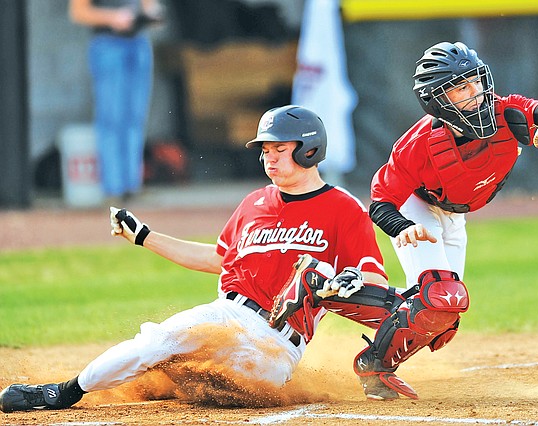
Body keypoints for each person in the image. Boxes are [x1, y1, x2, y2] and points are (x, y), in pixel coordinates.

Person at [0, 105, 395, 412]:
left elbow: (373, 279)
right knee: (155, 341)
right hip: (226, 314)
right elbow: (219, 259)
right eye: (265, 151)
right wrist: (144, 237)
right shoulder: (254, 202)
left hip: (278, 340)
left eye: (280, 150)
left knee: (238, 384)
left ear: (310, 151)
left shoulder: (344, 208)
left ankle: (181, 375)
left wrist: (346, 281)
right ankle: (65, 392)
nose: (269, 159)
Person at [364, 41, 538, 376]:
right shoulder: (417, 144)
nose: (475, 92)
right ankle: (373, 365)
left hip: (455, 214)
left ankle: (353, 295)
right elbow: (381, 202)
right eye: (460, 88)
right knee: (438, 297)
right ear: (436, 99)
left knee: (442, 321)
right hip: (417, 208)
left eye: (476, 81)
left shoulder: (505, 112)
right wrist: (403, 226)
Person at [68, 0, 163, 201]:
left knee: (135, 117)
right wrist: (113, 17)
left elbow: (149, 5)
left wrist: (152, 13)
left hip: (138, 42)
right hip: (108, 44)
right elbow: (78, 12)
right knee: (111, 118)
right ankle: (112, 188)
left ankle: (132, 186)